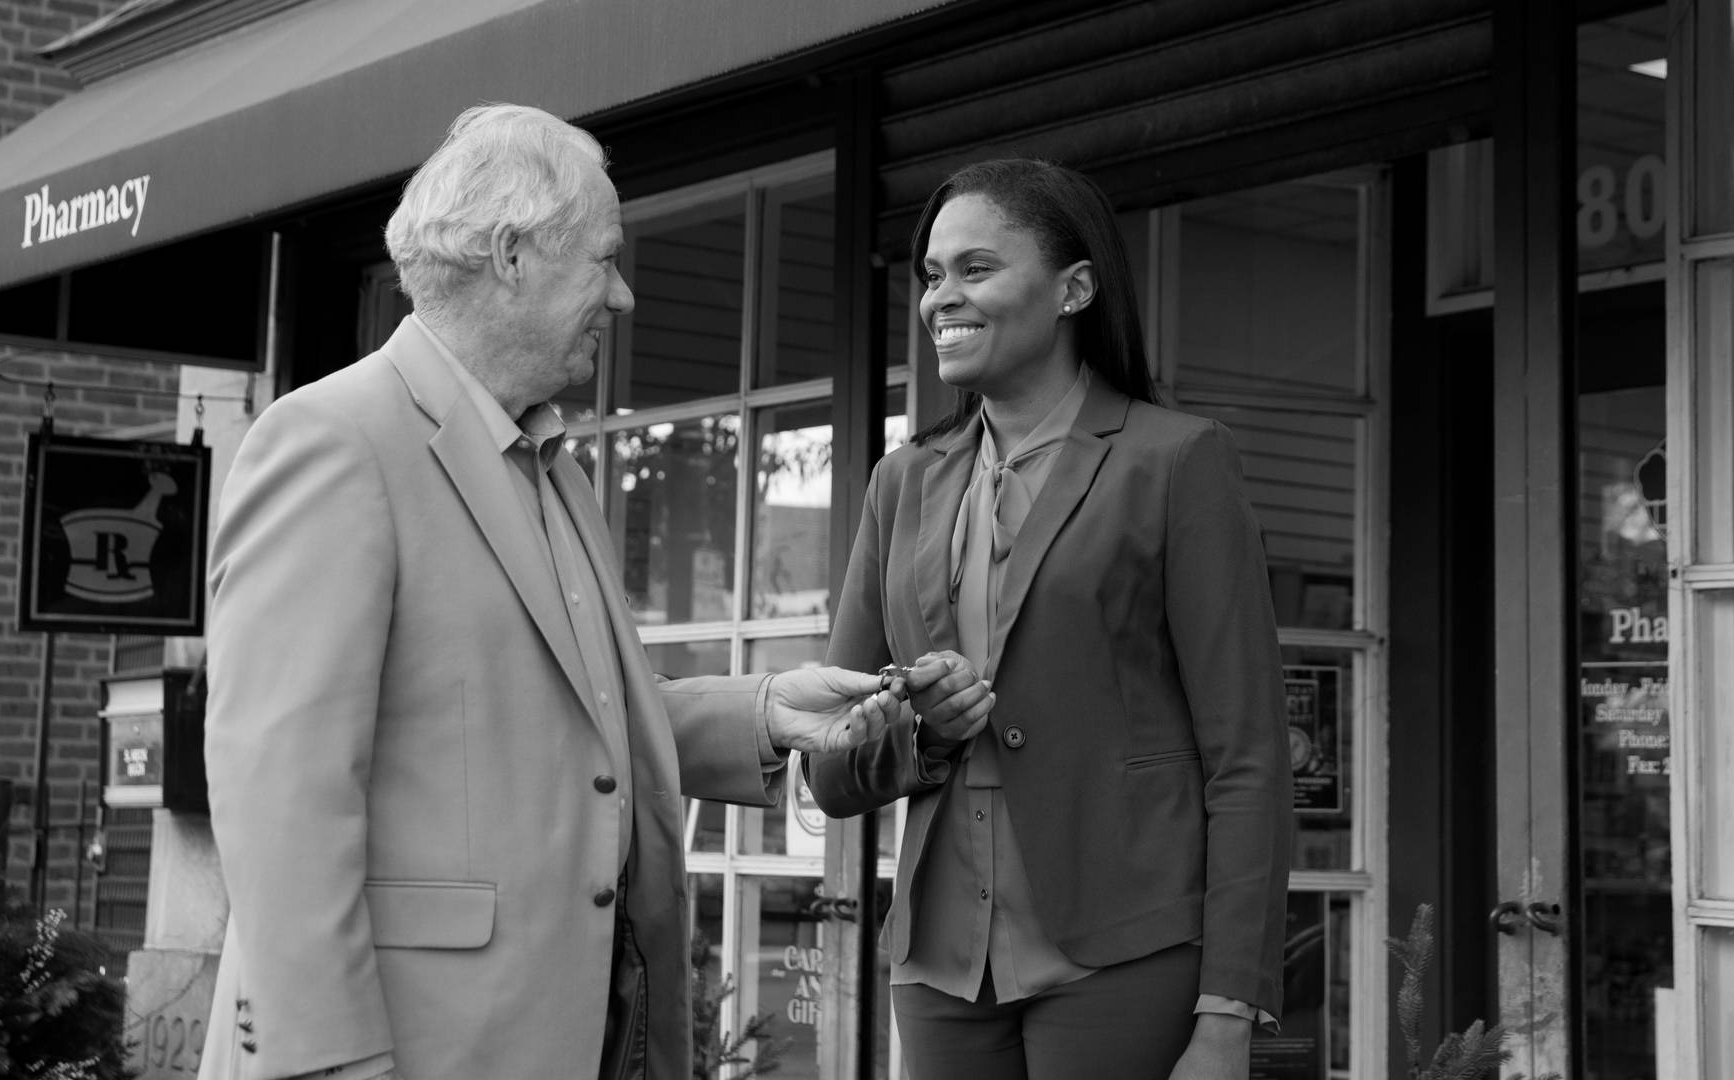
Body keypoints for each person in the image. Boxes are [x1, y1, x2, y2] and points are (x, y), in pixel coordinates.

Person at [196, 104, 905, 1080]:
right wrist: (329, 1061)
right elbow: (278, 793)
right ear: (512, 256)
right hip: (405, 1048)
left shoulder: (550, 463)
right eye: (603, 260)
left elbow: (583, 724)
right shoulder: (331, 439)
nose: (620, 297)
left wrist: (773, 711)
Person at [805, 158, 1292, 1080]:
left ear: (1073, 288)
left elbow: (1247, 756)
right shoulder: (901, 482)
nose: (941, 296)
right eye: (932, 274)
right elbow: (831, 762)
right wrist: (924, 735)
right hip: (942, 959)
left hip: (1126, 946)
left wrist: (1228, 1010)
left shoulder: (1176, 460)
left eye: (976, 268)